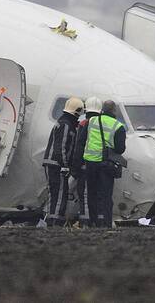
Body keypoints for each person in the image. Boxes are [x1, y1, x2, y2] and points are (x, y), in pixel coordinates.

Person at [82, 100, 127, 228]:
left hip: (90, 162)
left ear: (102, 109)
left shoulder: (91, 121)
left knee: (92, 194)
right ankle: (105, 223)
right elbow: (120, 149)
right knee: (106, 195)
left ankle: (93, 222)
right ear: (114, 111)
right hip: (106, 164)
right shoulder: (118, 126)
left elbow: (81, 140)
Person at [42, 97, 83, 226]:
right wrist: (65, 165)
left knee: (56, 192)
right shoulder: (66, 125)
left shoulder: (63, 122)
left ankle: (53, 219)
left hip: (53, 164)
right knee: (59, 193)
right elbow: (62, 147)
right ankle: (54, 221)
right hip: (57, 165)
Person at [71, 96, 102, 227]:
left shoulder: (84, 124)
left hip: (85, 165)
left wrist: (75, 167)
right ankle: (98, 221)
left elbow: (79, 146)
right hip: (101, 166)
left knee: (84, 194)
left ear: (86, 109)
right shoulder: (103, 123)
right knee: (98, 195)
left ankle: (85, 222)